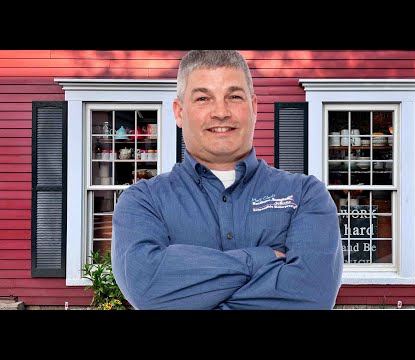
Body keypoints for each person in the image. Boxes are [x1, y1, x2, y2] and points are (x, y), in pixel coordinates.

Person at [111, 50, 343, 309]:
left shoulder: (305, 195)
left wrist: (192, 292)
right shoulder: (143, 201)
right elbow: (147, 285)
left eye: (234, 96)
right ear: (178, 111)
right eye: (203, 98)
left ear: (254, 107)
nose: (220, 112)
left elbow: (311, 295)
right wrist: (259, 259)